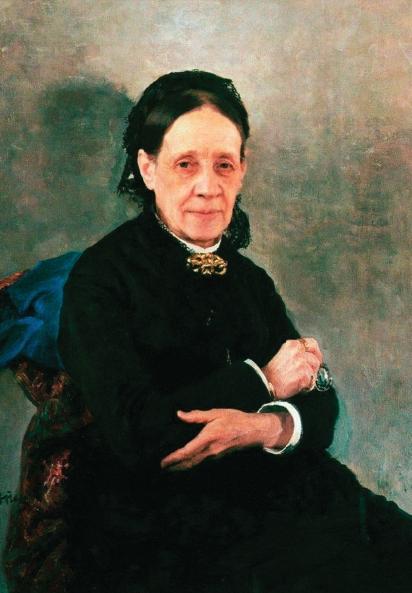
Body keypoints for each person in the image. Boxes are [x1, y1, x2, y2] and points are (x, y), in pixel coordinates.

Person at [52, 70, 411, 593]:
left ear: (242, 170)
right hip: (161, 516)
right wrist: (265, 381)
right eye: (185, 164)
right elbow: (141, 435)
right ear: (147, 168)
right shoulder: (102, 278)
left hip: (279, 492)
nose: (208, 187)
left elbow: (321, 405)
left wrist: (263, 428)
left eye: (224, 164)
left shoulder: (250, 279)